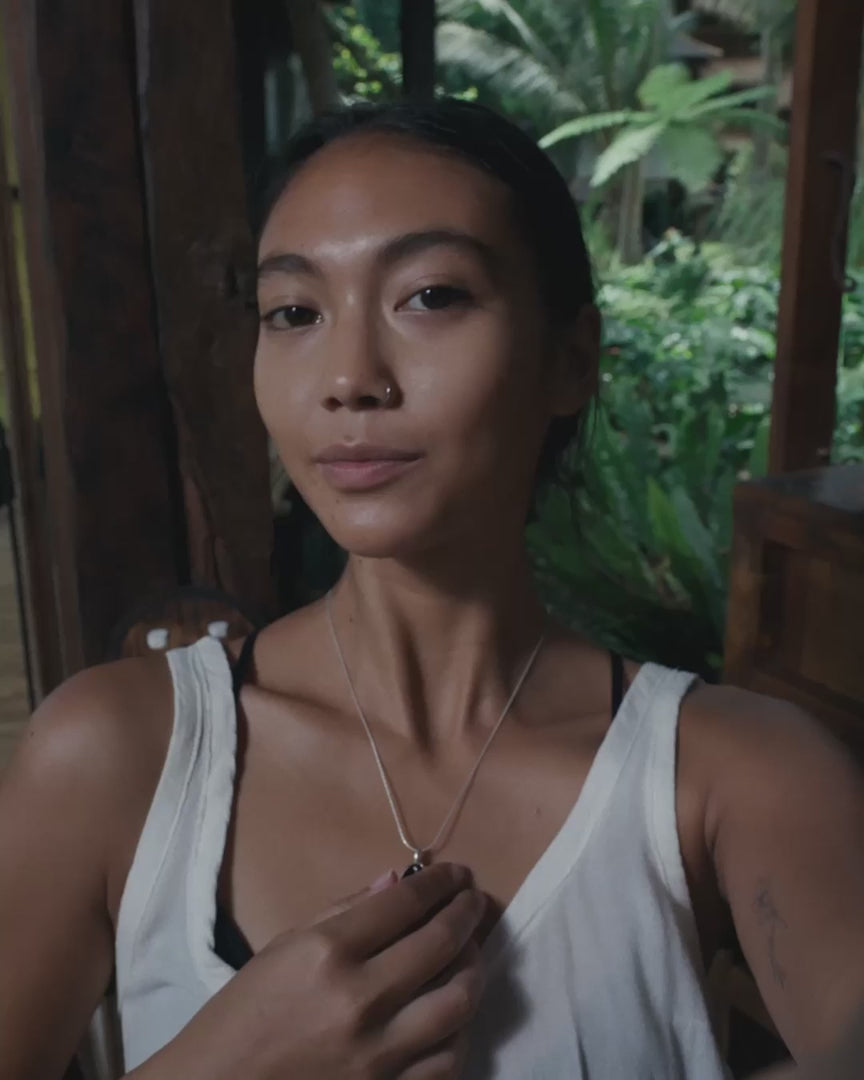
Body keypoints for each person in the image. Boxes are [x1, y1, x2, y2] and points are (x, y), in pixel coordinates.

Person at [1, 97, 863, 1080]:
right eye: (295, 312)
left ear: (571, 359)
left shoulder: (736, 779)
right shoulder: (116, 755)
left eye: (430, 296)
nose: (349, 378)